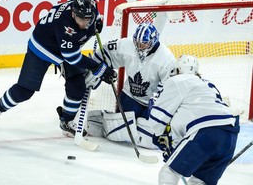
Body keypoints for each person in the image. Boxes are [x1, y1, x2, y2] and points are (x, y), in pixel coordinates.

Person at [0, 0, 117, 137]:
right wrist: (99, 68)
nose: (85, 23)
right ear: (73, 13)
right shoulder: (67, 29)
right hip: (42, 48)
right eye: (81, 19)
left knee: (77, 86)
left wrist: (97, 20)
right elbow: (73, 58)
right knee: (25, 91)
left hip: (65, 48)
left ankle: (66, 121)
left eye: (88, 19)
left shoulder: (88, 4)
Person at [147, 55, 240, 185]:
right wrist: (174, 146)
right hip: (230, 136)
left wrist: (160, 136)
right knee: (199, 181)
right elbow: (190, 116)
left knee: (169, 172)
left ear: (177, 70)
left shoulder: (177, 81)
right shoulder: (206, 85)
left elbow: (156, 121)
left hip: (205, 133)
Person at [86, 22, 176, 149]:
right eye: (137, 43)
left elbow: (170, 90)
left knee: (152, 133)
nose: (139, 47)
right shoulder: (126, 45)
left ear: (153, 42)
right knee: (121, 128)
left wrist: (157, 104)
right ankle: (97, 121)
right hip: (130, 97)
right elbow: (105, 52)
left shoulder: (166, 59)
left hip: (152, 102)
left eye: (143, 44)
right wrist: (96, 69)